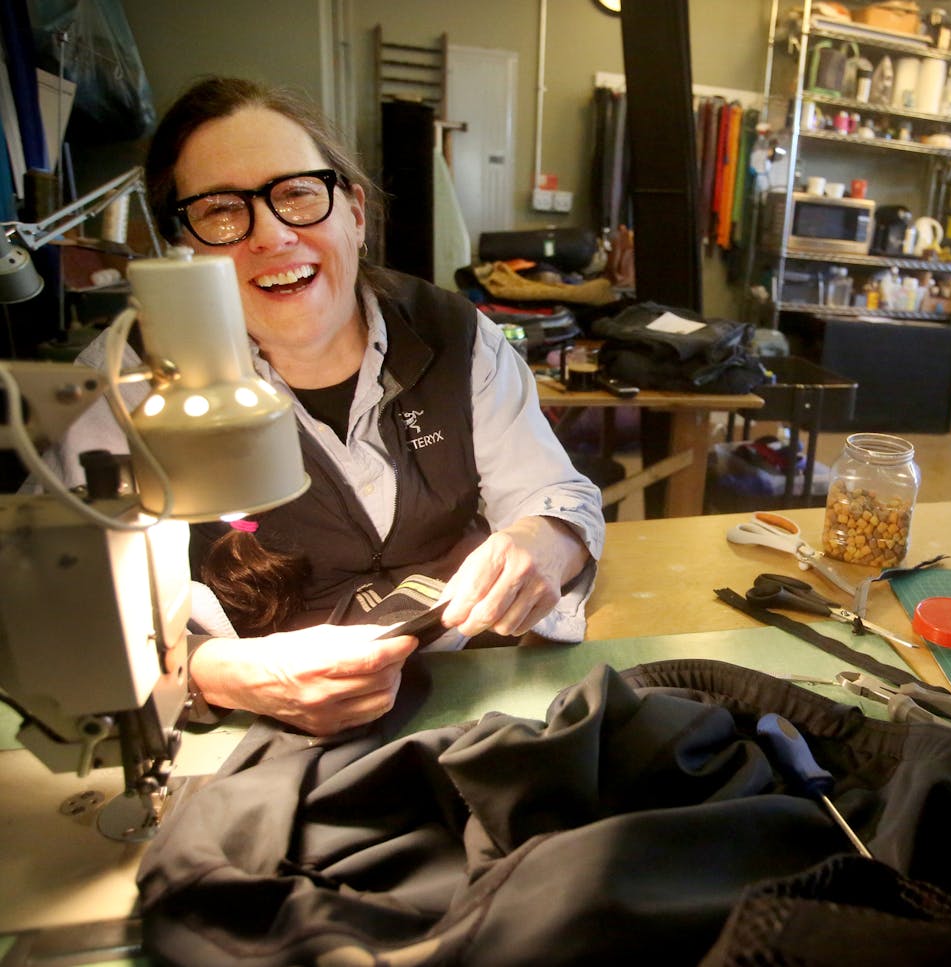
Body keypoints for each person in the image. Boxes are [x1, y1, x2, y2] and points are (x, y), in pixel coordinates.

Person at [39, 77, 606, 735]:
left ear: (355, 213)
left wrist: (544, 541)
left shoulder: (454, 333)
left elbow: (557, 495)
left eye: (298, 194)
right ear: (182, 247)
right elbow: (71, 607)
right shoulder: (126, 380)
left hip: (470, 686)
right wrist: (213, 672)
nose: (272, 235)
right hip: (250, 724)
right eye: (222, 209)